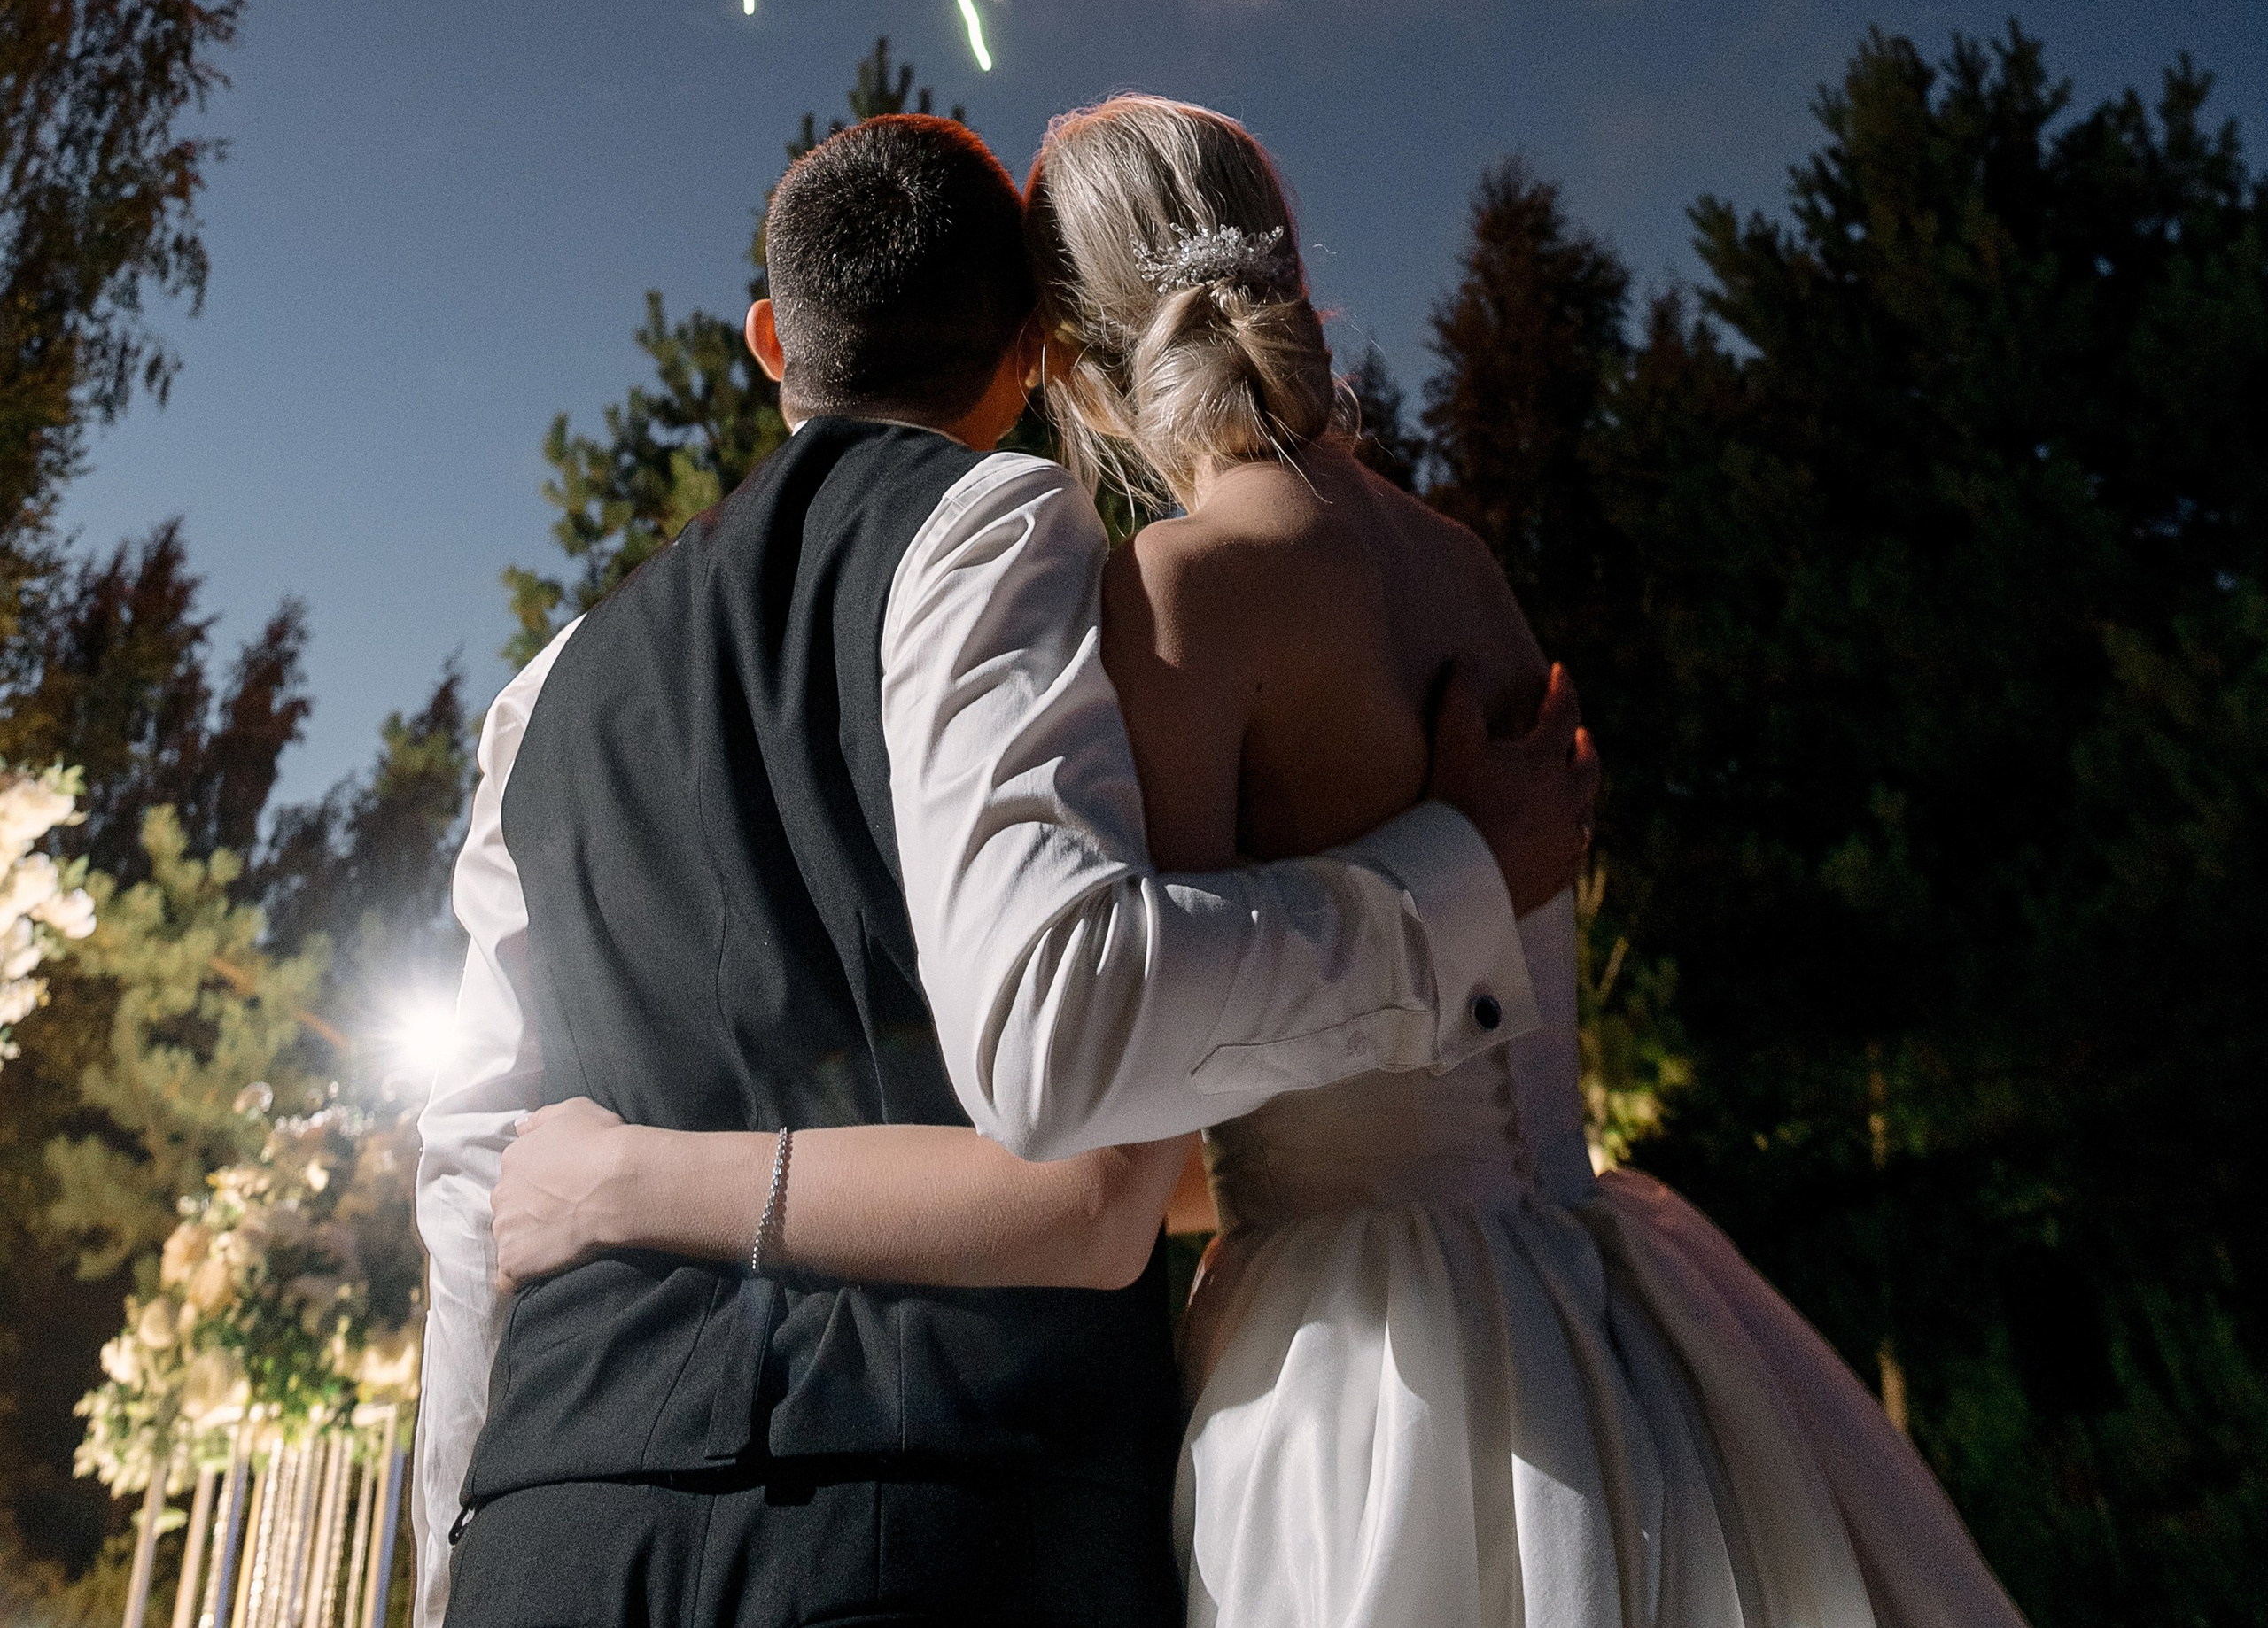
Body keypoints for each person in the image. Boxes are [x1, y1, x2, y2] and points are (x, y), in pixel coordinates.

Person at [510, 95, 2029, 1628]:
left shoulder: (1178, 593)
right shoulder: (1462, 564)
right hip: (1598, 1301)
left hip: (1369, 1364)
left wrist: (633, 1180)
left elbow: (1110, 1128)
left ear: (1066, 356)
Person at [417, 110, 1598, 1628]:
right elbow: (1080, 1074)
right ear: (1032, 350)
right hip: (949, 1519)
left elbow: (469, 1181)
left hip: (555, 1531)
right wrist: (1448, 884)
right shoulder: (996, 533)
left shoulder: (547, 689)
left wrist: (464, 1532)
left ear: (774, 340)